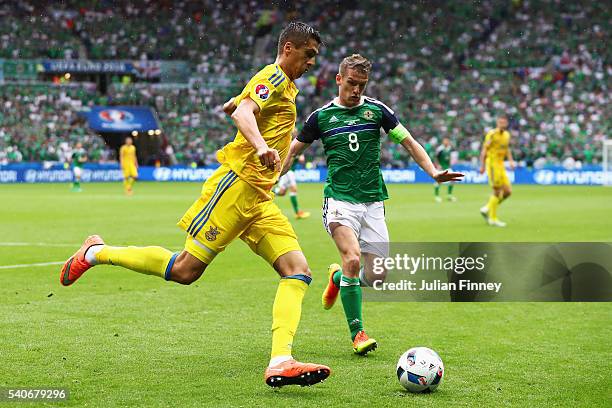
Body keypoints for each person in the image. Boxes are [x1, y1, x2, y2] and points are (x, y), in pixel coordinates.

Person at [60, 22, 330, 388]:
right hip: (236, 189)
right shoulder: (273, 75)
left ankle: (281, 360)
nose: (312, 62)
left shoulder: (284, 85)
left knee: (298, 271)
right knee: (185, 270)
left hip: (261, 199)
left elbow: (244, 105)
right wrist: (261, 144)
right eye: (308, 54)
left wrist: (239, 105)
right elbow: (243, 113)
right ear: (288, 49)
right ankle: (96, 252)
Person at [282, 54, 463, 355]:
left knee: (377, 276)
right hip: (339, 200)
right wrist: (271, 176)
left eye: (362, 85)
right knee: (352, 259)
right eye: (351, 83)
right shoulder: (321, 117)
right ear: (339, 80)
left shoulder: (377, 111)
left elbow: (408, 141)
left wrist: (432, 171)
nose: (356, 90)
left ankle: (338, 279)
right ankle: (358, 333)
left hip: (373, 202)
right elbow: (292, 152)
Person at [479, 115, 515, 227]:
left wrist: (511, 160)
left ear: (507, 124)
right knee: (497, 191)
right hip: (492, 164)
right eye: (500, 122)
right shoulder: (492, 134)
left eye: (504, 123)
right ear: (497, 123)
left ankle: (487, 208)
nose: (502, 124)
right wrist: (482, 165)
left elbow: (506, 148)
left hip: (501, 165)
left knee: (508, 192)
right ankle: (493, 218)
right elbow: (484, 150)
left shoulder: (507, 135)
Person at [274, 128, 310, 219]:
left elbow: (300, 158)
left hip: (290, 171)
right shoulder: (288, 144)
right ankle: (298, 212)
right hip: (288, 171)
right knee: (293, 189)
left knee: (282, 192)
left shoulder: (297, 144)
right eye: (294, 131)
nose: (295, 132)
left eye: (296, 131)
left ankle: (267, 192)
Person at [434, 137, 457, 202]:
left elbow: (450, 157)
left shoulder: (450, 148)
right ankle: (437, 196)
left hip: (447, 167)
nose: (446, 142)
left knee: (453, 179)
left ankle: (449, 195)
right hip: (441, 167)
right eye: (445, 141)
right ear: (443, 141)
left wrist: (450, 163)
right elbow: (436, 157)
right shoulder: (440, 149)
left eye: (447, 141)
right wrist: (438, 165)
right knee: (439, 181)